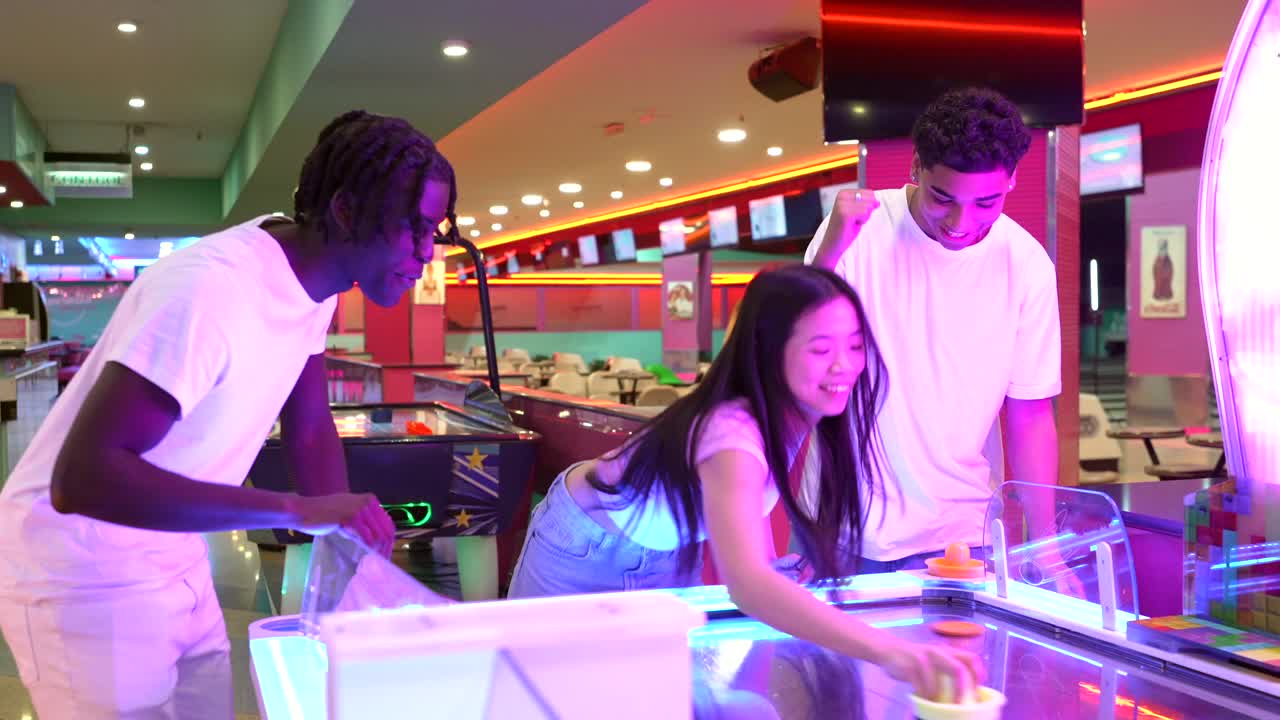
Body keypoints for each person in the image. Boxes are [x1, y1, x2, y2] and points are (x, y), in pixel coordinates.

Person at [0, 110, 457, 719]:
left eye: (436, 231)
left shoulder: (314, 280)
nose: (427, 252)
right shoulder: (211, 290)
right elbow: (82, 478)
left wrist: (351, 557)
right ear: (346, 211)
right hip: (82, 568)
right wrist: (300, 509)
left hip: (172, 545)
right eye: (413, 228)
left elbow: (311, 422)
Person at [508, 264, 983, 701]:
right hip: (581, 547)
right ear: (768, 351)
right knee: (537, 700)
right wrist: (896, 652)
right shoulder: (732, 436)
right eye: (822, 349)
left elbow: (795, 301)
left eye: (855, 344)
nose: (845, 365)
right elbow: (749, 587)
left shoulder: (796, 408)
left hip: (664, 550)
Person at [804, 87, 1064, 574]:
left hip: (965, 531)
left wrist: (1045, 548)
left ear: (1011, 181)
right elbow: (795, 351)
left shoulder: (1027, 264)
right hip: (847, 526)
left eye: (986, 203)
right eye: (943, 198)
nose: (962, 223)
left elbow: (1029, 414)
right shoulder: (857, 233)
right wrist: (829, 253)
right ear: (916, 167)